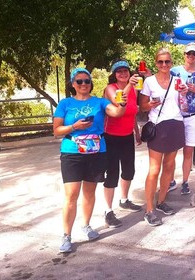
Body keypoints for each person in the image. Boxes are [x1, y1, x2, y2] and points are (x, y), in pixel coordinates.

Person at [53, 67, 127, 253]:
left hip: (96, 152)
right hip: (72, 152)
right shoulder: (65, 103)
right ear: (73, 84)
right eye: (79, 81)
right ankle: (66, 235)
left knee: (89, 192)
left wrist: (122, 103)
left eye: (87, 81)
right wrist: (74, 126)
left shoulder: (100, 102)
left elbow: (117, 113)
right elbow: (56, 131)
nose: (84, 84)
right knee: (71, 194)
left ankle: (86, 225)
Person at [139, 48, 186, 226]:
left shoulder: (177, 80)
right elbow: (142, 106)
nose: (164, 65)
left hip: (175, 124)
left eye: (167, 62)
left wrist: (183, 94)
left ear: (171, 63)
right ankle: (149, 210)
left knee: (169, 167)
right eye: (161, 62)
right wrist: (150, 104)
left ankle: (161, 201)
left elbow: (183, 104)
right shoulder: (149, 81)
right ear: (156, 63)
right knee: (154, 170)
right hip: (158, 127)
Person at [102, 60, 143, 228]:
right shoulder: (110, 88)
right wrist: (129, 86)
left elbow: (132, 112)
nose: (123, 74)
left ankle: (124, 200)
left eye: (125, 71)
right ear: (114, 74)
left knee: (129, 171)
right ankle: (108, 211)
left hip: (126, 136)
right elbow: (120, 102)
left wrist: (137, 132)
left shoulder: (134, 89)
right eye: (119, 71)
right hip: (111, 137)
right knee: (112, 174)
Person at [169, 43, 195, 195]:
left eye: (194, 54)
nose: (191, 57)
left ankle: (185, 181)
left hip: (192, 116)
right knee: (171, 151)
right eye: (188, 54)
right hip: (175, 115)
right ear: (184, 54)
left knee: (188, 151)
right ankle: (170, 180)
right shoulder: (174, 72)